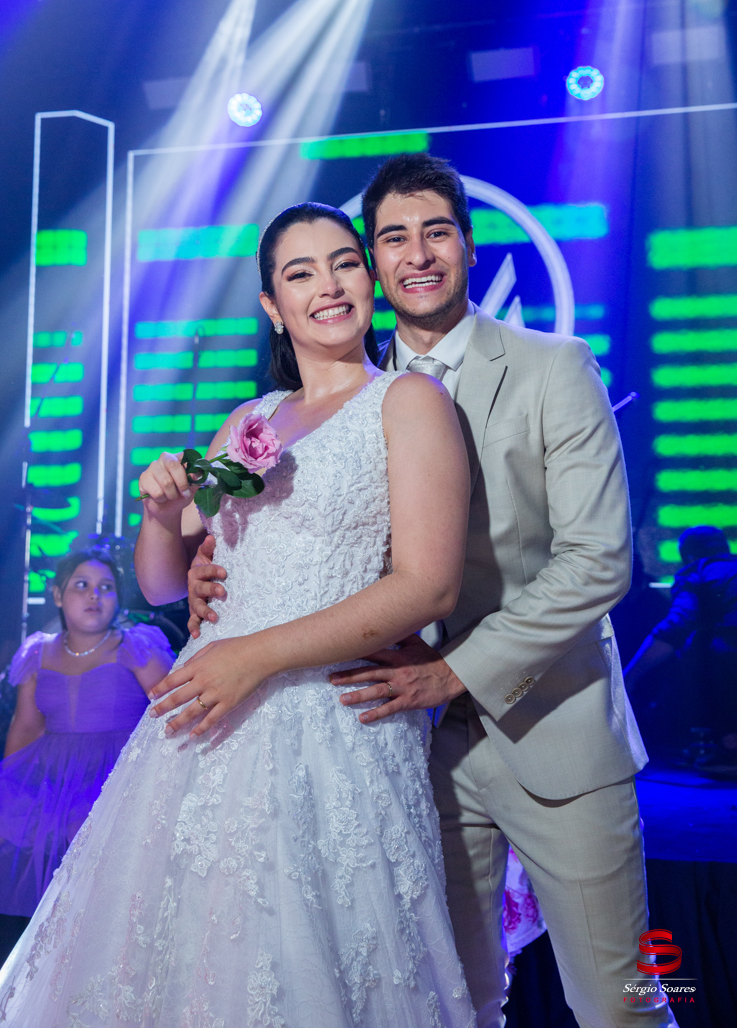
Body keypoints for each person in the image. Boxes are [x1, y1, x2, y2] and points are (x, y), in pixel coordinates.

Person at [185, 155, 674, 1028]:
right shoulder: (339, 395)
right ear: (372, 261)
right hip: (399, 750)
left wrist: (453, 672)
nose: (417, 255)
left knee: (622, 1003)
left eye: (437, 232)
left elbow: (598, 561)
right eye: (393, 238)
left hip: (552, 729)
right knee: (452, 1002)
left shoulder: (554, 366)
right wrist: (217, 565)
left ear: (470, 246)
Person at [0, 203, 476, 1027]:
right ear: (274, 307)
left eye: (344, 263)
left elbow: (428, 588)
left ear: (370, 280)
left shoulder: (408, 401)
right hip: (204, 723)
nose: (329, 286)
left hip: (330, 720)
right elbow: (163, 583)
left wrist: (253, 655)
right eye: (301, 273)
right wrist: (157, 511)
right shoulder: (250, 422)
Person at [0, 549, 173, 1024]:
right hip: (48, 769)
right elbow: (26, 728)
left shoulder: (135, 647)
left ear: (117, 600)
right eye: (82, 585)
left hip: (114, 772)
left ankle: (80, 981)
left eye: (106, 587)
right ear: (58, 595)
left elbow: (170, 711)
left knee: (78, 827)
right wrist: (7, 796)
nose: (94, 595)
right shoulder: (38, 652)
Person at [625, 525, 737, 759]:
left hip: (729, 657)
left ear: (689, 556)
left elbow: (678, 624)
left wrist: (630, 676)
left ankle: (727, 742)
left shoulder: (695, 571)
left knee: (696, 644)